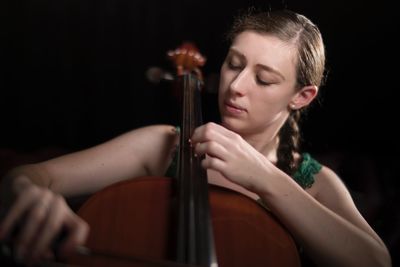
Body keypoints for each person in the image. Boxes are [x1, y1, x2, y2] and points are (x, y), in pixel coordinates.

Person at [0, 9, 391, 267]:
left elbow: (376, 262)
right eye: (234, 64)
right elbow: (31, 177)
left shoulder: (315, 182)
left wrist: (265, 179)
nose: (235, 86)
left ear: (300, 97)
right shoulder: (165, 145)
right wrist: (30, 193)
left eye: (264, 78)